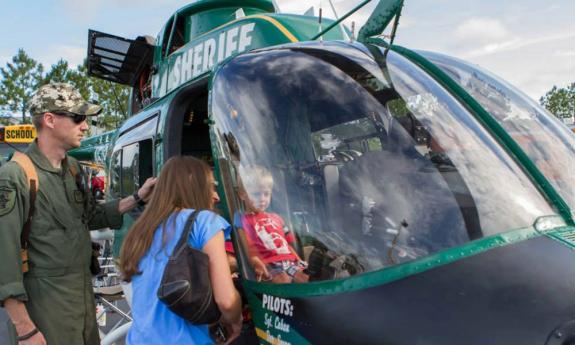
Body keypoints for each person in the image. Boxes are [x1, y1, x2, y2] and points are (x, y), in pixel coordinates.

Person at [0, 83, 157, 345]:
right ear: (49, 120)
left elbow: (91, 216)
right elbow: (4, 258)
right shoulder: (15, 176)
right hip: (45, 310)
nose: (85, 126)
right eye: (78, 118)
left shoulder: (72, 169)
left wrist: (138, 197)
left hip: (82, 302)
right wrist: (25, 329)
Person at [119, 156, 242, 345]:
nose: (216, 196)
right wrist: (235, 319)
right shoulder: (205, 221)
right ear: (193, 188)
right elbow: (226, 300)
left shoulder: (141, 229)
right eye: (211, 187)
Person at [237, 166, 308, 283]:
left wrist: (299, 260)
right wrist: (253, 261)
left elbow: (287, 245)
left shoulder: (277, 218)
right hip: (267, 263)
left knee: (306, 278)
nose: (262, 199)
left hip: (289, 261)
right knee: (283, 280)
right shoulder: (241, 220)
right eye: (256, 194)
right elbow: (244, 247)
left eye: (266, 194)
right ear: (242, 194)